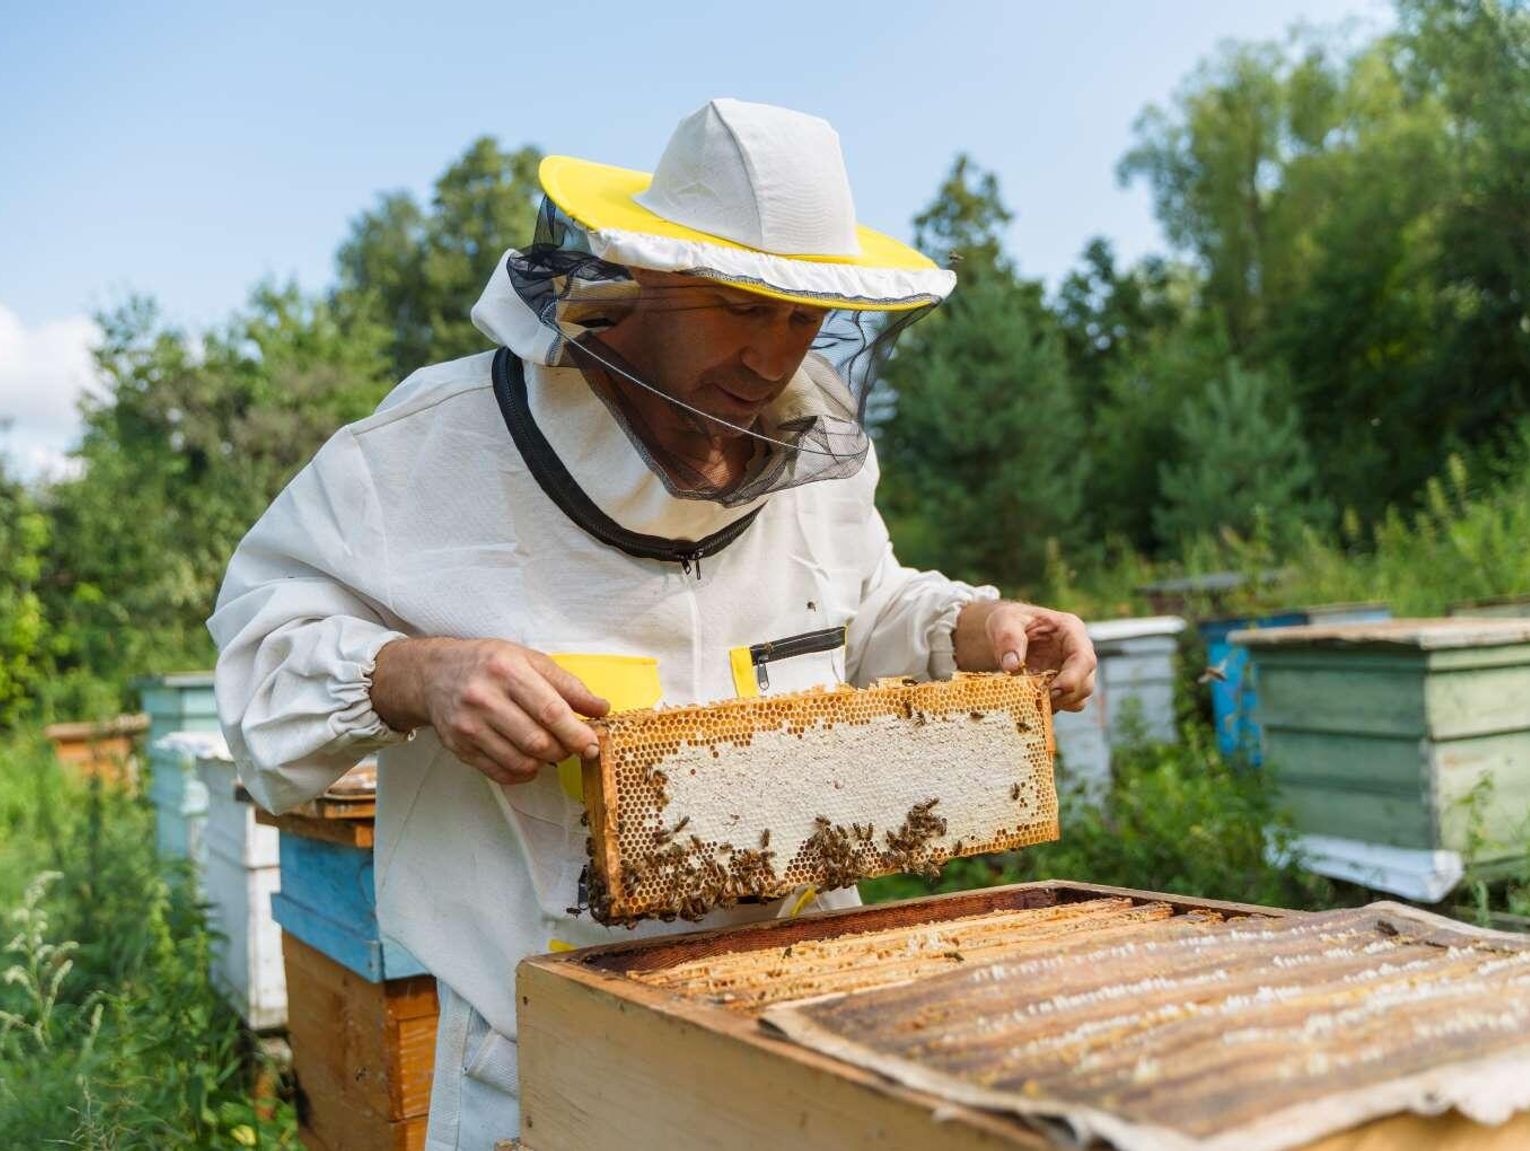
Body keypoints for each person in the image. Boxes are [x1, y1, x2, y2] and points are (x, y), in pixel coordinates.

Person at [209, 97, 1096, 1149]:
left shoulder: (813, 446)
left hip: (808, 1032)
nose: (773, 358)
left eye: (803, 315)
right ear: (644, 276)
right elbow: (259, 671)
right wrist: (413, 673)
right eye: (741, 305)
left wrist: (972, 625)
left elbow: (860, 608)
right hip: (539, 1068)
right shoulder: (420, 452)